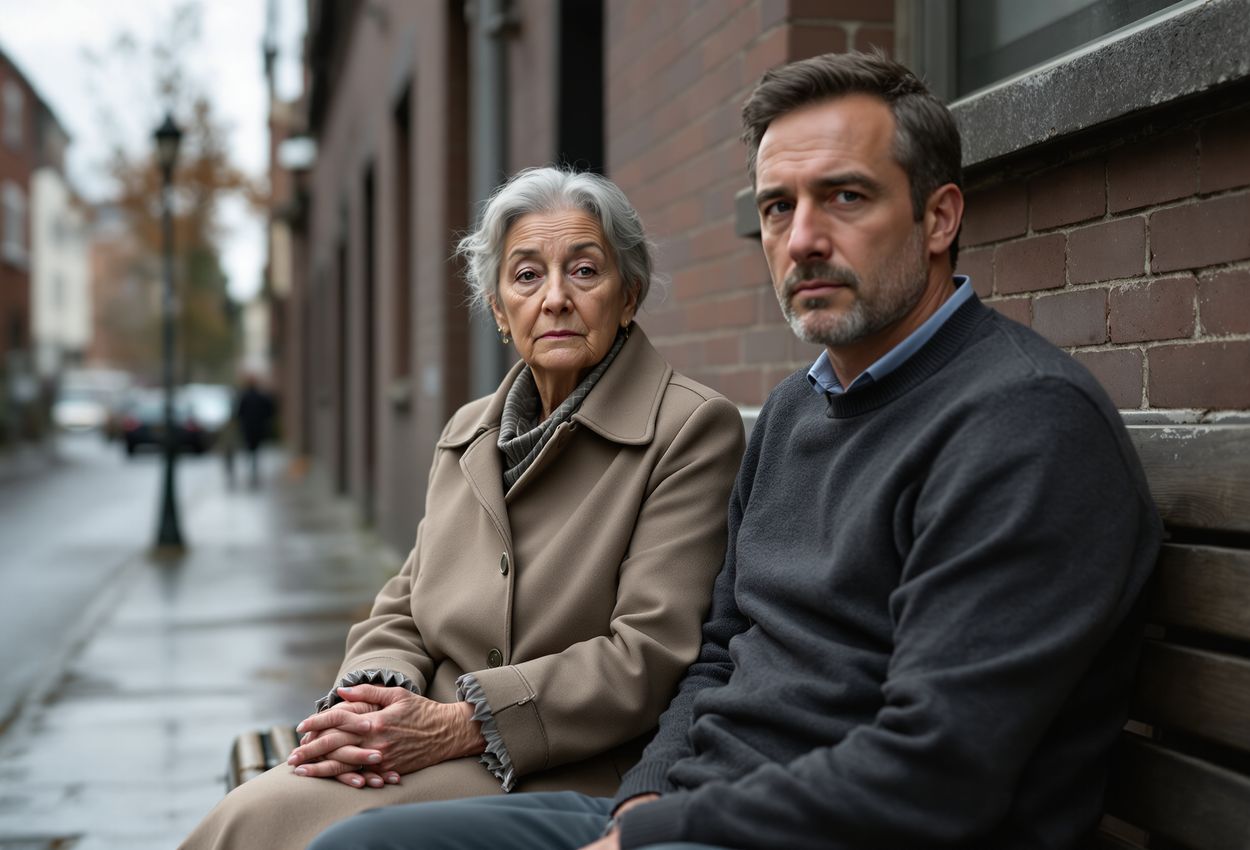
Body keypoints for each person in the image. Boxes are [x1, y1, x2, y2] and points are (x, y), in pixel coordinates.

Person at [308, 51, 1163, 850]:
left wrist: (647, 830)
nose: (802, 241)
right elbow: (718, 655)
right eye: (777, 206)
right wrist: (645, 804)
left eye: (847, 197)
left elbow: (938, 773)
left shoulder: (1024, 426)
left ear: (938, 217)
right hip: (691, 809)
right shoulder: (798, 409)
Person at [179, 167, 745, 849]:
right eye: (528, 276)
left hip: (567, 765)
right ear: (500, 310)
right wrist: (371, 701)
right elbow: (404, 603)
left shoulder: (689, 430)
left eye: (585, 271)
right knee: (253, 815)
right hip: (432, 738)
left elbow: (647, 656)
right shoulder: (468, 432)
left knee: (289, 825)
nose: (557, 298)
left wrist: (457, 724)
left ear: (629, 296)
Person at [234, 374, 274, 487]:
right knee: (256, 449)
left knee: (250, 448)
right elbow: (270, 410)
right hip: (258, 428)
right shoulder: (261, 396)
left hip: (248, 428)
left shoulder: (244, 397)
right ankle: (254, 466)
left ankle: (252, 466)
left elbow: (238, 413)